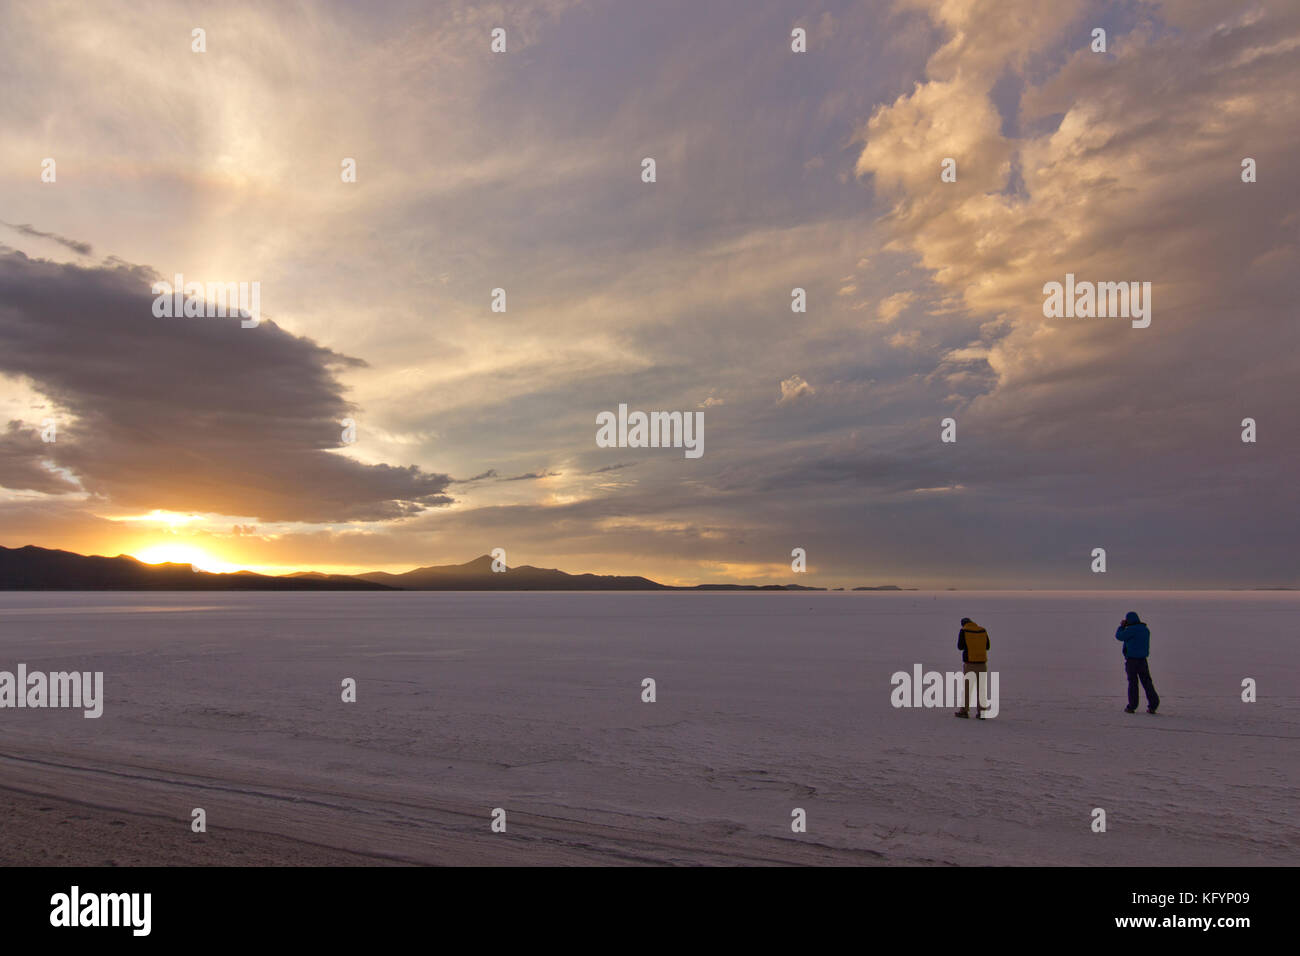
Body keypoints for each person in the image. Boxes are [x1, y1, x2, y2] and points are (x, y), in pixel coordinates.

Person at [1116, 611, 1159, 714]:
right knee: (1147, 683)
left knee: (1133, 683)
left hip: (1132, 661)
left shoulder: (1131, 630)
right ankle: (1153, 705)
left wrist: (1121, 626)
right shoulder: (1145, 629)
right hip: (1143, 660)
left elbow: (1119, 636)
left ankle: (1132, 706)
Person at [954, 617, 990, 718]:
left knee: (967, 689)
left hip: (970, 664)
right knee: (981, 689)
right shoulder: (982, 630)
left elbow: (960, 646)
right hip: (982, 664)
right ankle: (982, 712)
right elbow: (987, 646)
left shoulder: (964, 630)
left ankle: (964, 711)